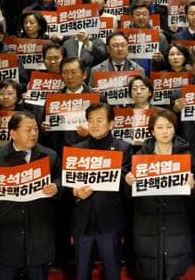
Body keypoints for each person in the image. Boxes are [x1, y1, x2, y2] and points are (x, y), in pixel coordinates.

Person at [0, 111, 60, 280]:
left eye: (36, 129)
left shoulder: (50, 156)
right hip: (6, 238)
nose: (34, 133)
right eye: (28, 130)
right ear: (13, 133)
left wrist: (57, 187)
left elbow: (62, 182)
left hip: (39, 236)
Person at [124, 109, 195, 280]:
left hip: (176, 221)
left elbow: (194, 196)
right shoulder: (140, 157)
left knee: (173, 271)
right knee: (150, 271)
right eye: (160, 127)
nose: (165, 131)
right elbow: (129, 196)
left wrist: (193, 187)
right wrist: (128, 183)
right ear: (152, 130)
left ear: (175, 129)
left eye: (169, 127)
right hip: (147, 221)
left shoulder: (186, 156)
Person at [70, 102, 133, 280]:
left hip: (109, 220)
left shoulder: (123, 148)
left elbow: (123, 181)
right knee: (82, 274)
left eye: (99, 120)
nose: (94, 124)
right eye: (91, 120)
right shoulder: (76, 150)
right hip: (82, 221)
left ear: (111, 124)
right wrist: (75, 192)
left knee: (112, 272)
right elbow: (67, 184)